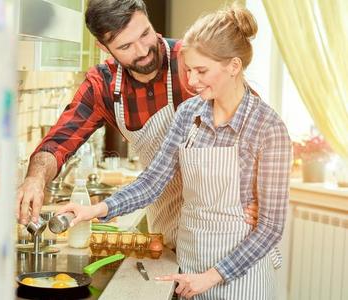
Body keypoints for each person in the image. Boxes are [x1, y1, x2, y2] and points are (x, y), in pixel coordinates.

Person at [57, 5, 292, 299]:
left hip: (240, 277)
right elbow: (153, 181)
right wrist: (94, 210)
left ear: (233, 66)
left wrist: (210, 278)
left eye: (201, 71)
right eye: (189, 70)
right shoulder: (189, 113)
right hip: (187, 265)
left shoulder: (268, 129)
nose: (191, 82)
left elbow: (269, 229)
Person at [15, 0, 259, 250]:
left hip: (229, 221)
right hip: (166, 218)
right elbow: (60, 142)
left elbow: (253, 124)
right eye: (126, 46)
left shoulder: (192, 60)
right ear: (104, 47)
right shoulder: (104, 85)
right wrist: (35, 178)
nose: (142, 50)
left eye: (145, 33)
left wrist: (258, 195)